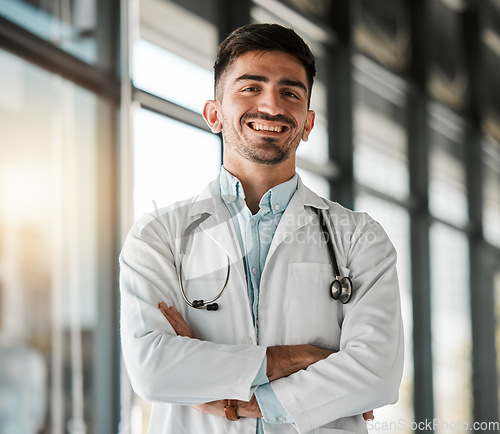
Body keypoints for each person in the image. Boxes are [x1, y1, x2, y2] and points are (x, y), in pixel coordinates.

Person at [120, 23, 404, 434]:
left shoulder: (359, 237)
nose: (271, 106)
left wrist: (241, 395)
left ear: (307, 123)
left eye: (290, 93)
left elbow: (377, 372)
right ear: (214, 114)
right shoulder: (159, 235)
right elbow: (153, 371)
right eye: (250, 88)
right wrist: (304, 358)